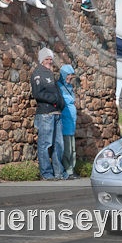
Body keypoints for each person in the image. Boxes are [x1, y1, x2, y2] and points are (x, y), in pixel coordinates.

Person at [31, 48, 66, 180]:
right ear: (41, 60)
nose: (50, 61)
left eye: (51, 59)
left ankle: (58, 172)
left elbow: (57, 93)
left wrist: (61, 103)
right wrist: (55, 100)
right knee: (45, 144)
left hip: (56, 113)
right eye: (47, 59)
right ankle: (46, 173)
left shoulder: (50, 73)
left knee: (59, 144)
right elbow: (37, 93)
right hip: (45, 114)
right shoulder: (38, 73)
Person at [57, 64, 77, 179]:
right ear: (64, 74)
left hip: (72, 122)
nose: (70, 77)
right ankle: (67, 170)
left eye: (71, 75)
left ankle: (72, 169)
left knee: (72, 148)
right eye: (68, 75)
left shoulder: (69, 87)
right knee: (67, 148)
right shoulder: (59, 86)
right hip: (65, 121)